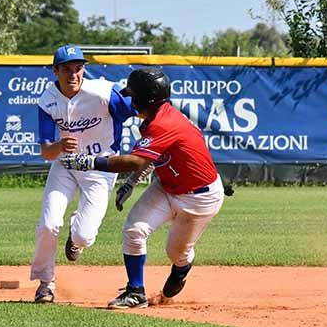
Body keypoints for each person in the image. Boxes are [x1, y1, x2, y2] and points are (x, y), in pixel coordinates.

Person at [61, 67, 228, 309]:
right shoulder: (153, 120)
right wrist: (131, 182)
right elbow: (150, 160)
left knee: (176, 253)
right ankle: (135, 292)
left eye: (132, 95)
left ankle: (182, 269)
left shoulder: (163, 123)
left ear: (144, 99)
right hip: (167, 186)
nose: (129, 99)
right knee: (134, 231)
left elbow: (135, 161)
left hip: (199, 198)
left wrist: (88, 162)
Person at [31, 44, 136, 303]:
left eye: (78, 68)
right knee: (48, 224)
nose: (73, 74)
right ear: (55, 71)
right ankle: (45, 283)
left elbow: (140, 110)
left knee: (84, 236)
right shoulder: (47, 100)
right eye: (66, 69)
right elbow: (46, 151)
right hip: (66, 165)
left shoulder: (102, 92)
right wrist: (58, 146)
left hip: (101, 167)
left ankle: (76, 239)